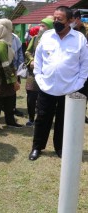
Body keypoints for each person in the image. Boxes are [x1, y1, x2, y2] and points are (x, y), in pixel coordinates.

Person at [29, 6, 88, 161]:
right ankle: (37, 148)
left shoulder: (79, 39)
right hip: (46, 87)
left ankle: (60, 148)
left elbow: (85, 64)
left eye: (59, 19)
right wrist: (38, 77)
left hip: (69, 88)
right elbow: (39, 58)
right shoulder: (47, 36)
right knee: (42, 119)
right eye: (54, 18)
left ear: (70, 21)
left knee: (63, 120)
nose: (55, 21)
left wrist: (78, 84)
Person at [0, 18, 22, 133]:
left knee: (10, 99)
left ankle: (10, 121)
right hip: (1, 77)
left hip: (7, 76)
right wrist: (14, 81)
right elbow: (5, 65)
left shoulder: (4, 42)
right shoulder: (2, 44)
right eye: (10, 27)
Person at [25, 18, 53, 127]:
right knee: (31, 97)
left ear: (50, 28)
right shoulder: (35, 38)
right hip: (34, 73)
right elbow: (27, 51)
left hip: (48, 74)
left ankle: (45, 119)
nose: (41, 27)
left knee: (46, 98)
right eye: (40, 25)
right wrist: (32, 60)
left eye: (44, 26)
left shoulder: (55, 41)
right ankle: (31, 118)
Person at [12, 33, 25, 117]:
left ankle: (13, 108)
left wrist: (19, 68)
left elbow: (20, 53)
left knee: (13, 89)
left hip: (14, 67)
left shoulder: (14, 37)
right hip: (0, 69)